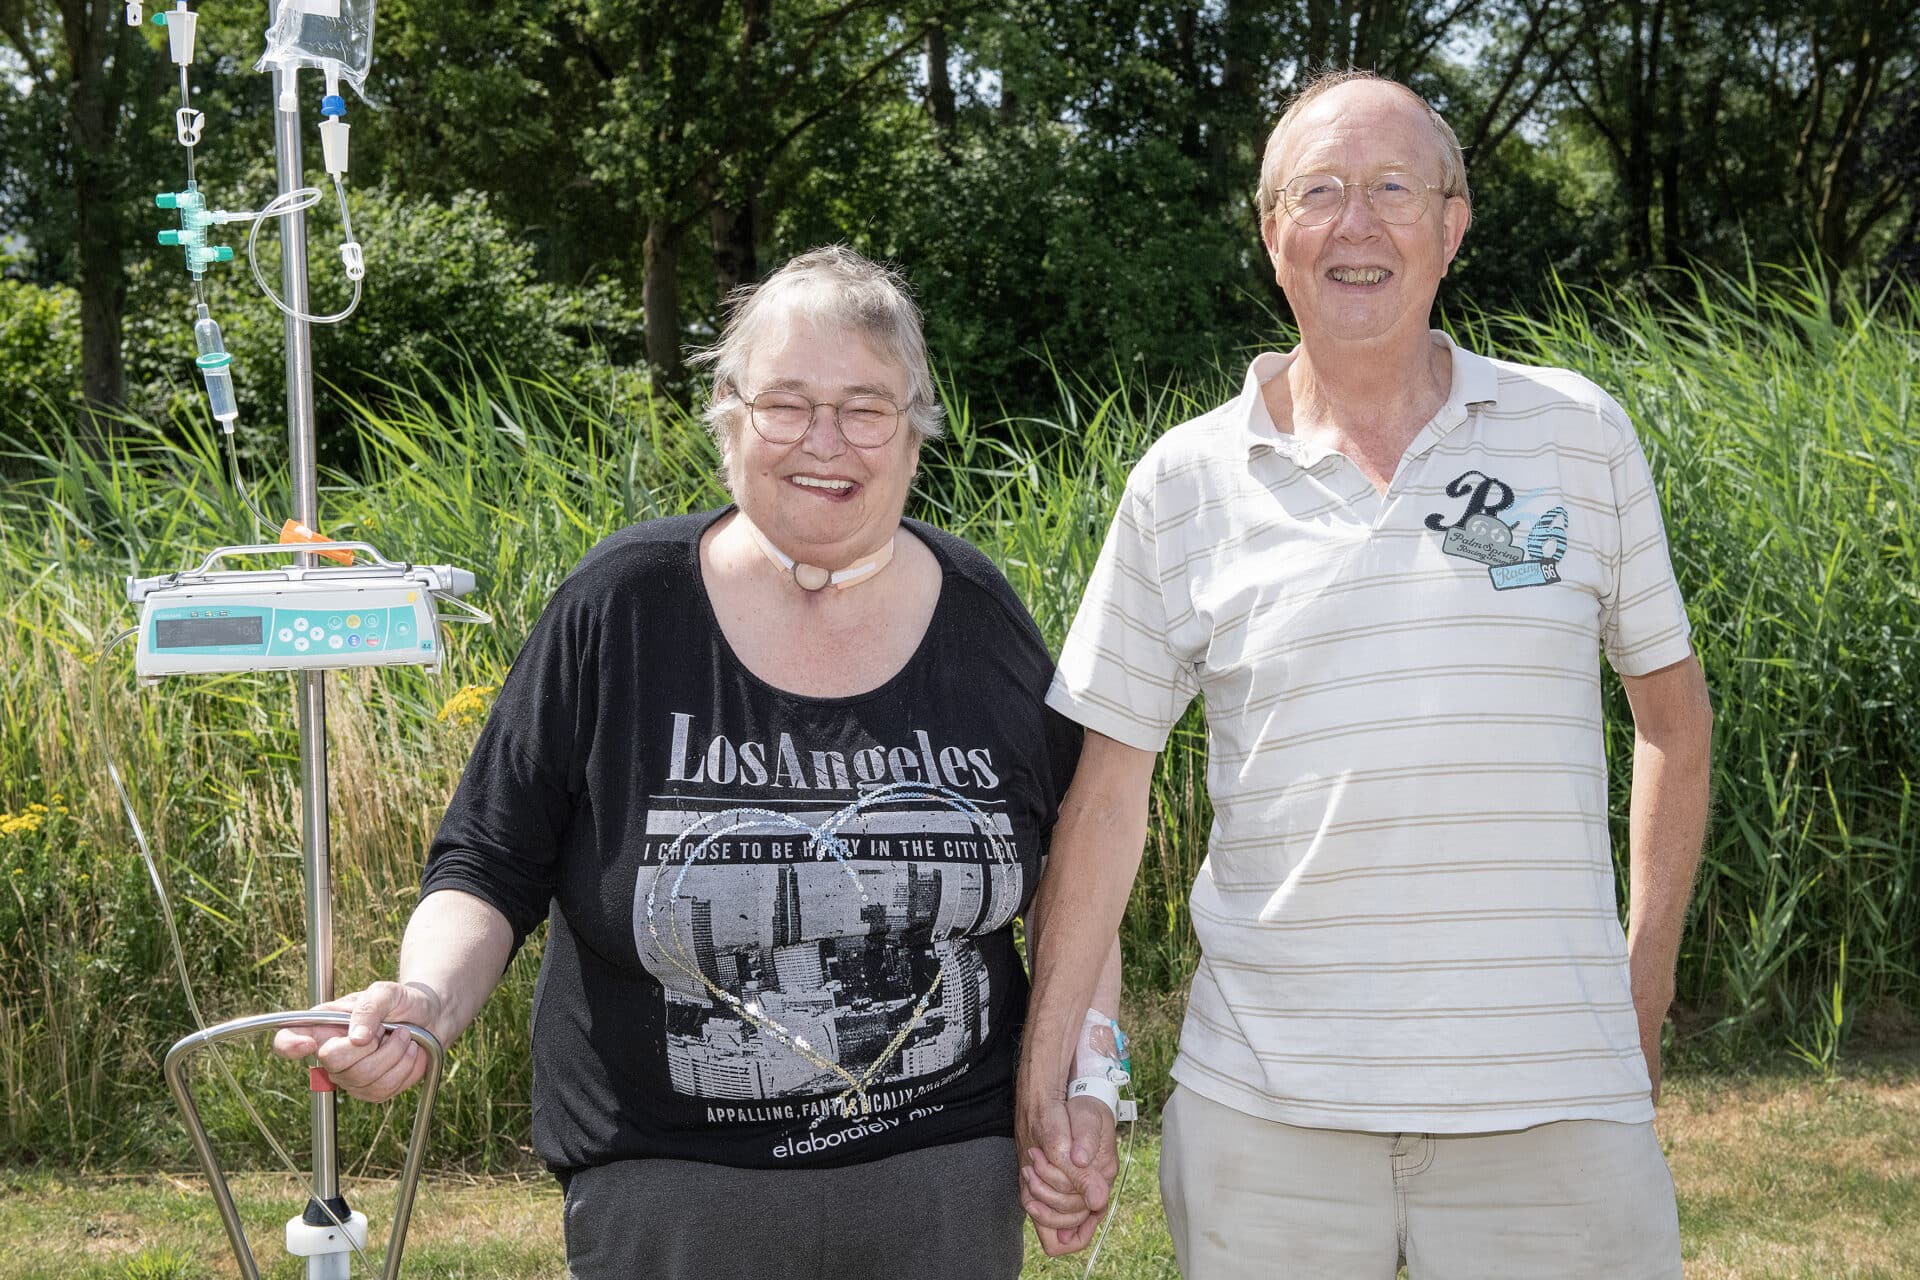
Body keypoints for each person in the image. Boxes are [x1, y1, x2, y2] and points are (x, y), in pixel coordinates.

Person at [273, 245, 1120, 1278]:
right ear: (729, 416)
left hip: (943, 1181)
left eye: (865, 408)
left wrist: (1089, 1084)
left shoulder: (983, 620)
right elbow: (489, 862)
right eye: (786, 404)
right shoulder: (623, 606)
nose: (825, 441)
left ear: (914, 430)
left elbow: (1080, 875)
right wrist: (427, 1002)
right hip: (668, 1186)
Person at [1015, 71, 1713, 1277]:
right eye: (1318, 191)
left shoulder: (1580, 434)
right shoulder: (1182, 482)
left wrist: (1639, 997)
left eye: (1394, 187)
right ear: (1270, 232)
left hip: (1555, 1106)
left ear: (1453, 225)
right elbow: (1107, 798)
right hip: (1265, 1117)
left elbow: (1675, 721)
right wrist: (1054, 1071)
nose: (1357, 223)